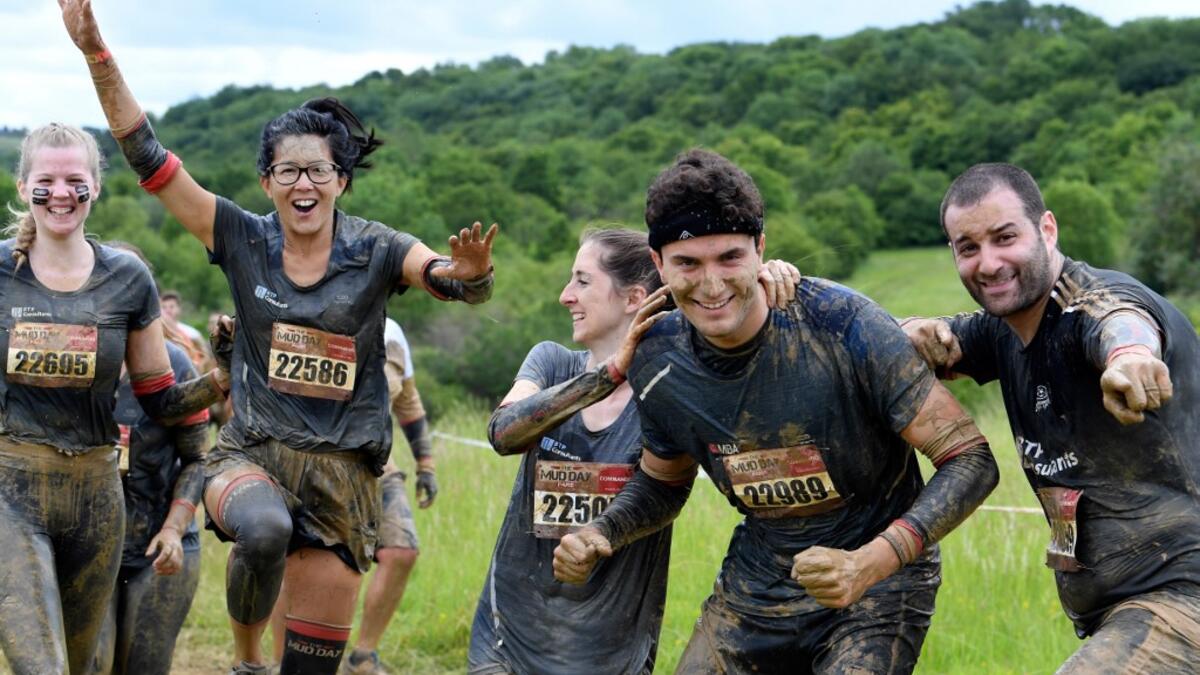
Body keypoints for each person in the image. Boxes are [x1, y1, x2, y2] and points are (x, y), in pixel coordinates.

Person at [61, 3, 499, 673]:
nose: (303, 183)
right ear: (267, 182)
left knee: (313, 665)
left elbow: (440, 276)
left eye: (318, 170)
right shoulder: (240, 238)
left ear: (340, 181)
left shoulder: (376, 247)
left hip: (346, 473)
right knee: (263, 529)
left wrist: (471, 275)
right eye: (288, 171)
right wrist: (97, 52)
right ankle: (246, 660)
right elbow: (147, 158)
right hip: (253, 456)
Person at [554, 149, 1000, 674]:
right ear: (658, 265)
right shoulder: (657, 355)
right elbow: (663, 482)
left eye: (730, 259)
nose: (712, 284)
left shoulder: (841, 323)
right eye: (688, 264)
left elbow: (971, 459)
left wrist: (869, 561)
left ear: (760, 249)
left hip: (878, 591)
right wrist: (601, 531)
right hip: (755, 594)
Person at [900, 163, 1200, 672]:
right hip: (1117, 612)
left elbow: (1118, 319)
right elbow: (896, 341)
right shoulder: (1002, 332)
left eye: (1004, 237)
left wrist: (1129, 358)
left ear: (1047, 228)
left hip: (1183, 596)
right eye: (968, 248)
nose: (989, 263)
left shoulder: (1089, 304)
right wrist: (910, 329)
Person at [473, 227, 800, 675]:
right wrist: (605, 376)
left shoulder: (670, 393)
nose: (566, 296)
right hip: (507, 634)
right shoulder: (551, 363)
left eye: (583, 281)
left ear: (634, 299)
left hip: (611, 650)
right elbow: (503, 434)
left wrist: (774, 286)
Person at [0, 123, 226, 674]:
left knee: (82, 668)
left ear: (95, 187)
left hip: (98, 498)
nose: (60, 194)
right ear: (24, 183)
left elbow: (161, 400)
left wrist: (221, 377)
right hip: (11, 489)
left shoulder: (128, 278)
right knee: (40, 667)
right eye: (46, 180)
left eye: (75, 180)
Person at [269, 317, 439, 674]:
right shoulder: (313, 317)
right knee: (295, 564)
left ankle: (363, 656)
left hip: (377, 465)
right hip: (308, 462)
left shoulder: (393, 330)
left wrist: (426, 464)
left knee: (402, 550)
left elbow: (408, 403)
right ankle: (279, 661)